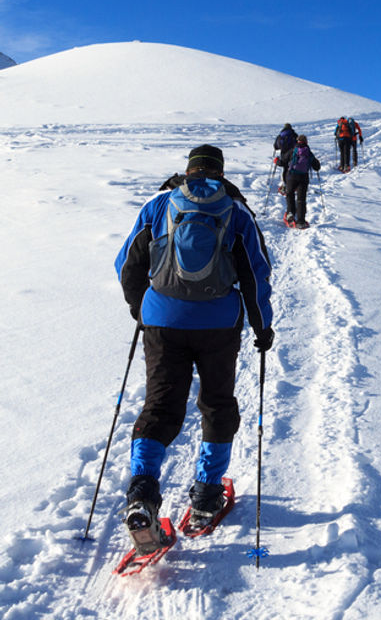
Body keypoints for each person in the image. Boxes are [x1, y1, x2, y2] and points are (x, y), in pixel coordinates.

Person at [115, 144, 274, 545]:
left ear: (188, 170)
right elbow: (257, 274)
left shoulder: (159, 205)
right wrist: (262, 328)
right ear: (220, 172)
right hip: (218, 324)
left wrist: (143, 309)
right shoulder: (235, 212)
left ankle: (142, 494)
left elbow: (126, 264)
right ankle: (206, 496)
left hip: (162, 320)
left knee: (160, 404)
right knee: (217, 402)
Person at [279, 134, 321, 228]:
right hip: (303, 178)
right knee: (301, 199)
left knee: (290, 195)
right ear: (306, 142)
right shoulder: (309, 153)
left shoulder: (293, 150)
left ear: (297, 141)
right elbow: (316, 167)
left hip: (291, 177)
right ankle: (301, 221)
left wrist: (277, 161)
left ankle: (290, 215)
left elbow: (282, 162)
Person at [273, 123, 298, 192]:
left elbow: (276, 146)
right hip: (293, 155)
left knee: (285, 169)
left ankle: (285, 186)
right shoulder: (294, 135)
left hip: (284, 155)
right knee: (292, 169)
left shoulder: (280, 136)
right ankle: (293, 185)